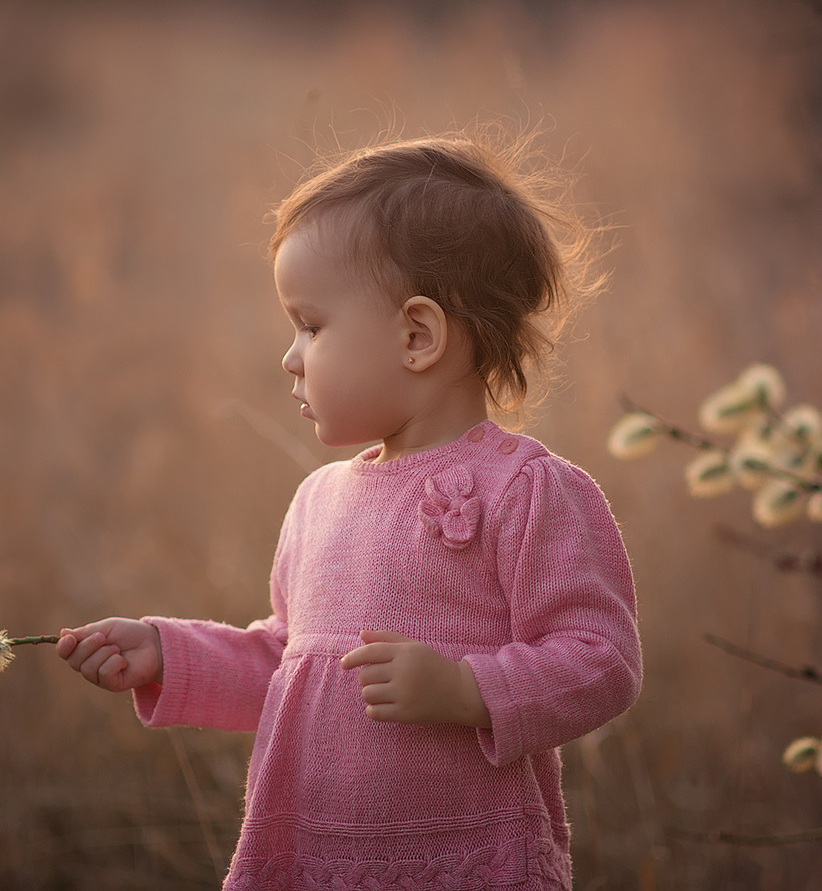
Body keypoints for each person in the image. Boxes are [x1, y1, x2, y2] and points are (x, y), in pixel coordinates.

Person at [57, 133, 642, 890]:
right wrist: (170, 654)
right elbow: (291, 664)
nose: (289, 357)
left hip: (464, 861)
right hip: (315, 859)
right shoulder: (319, 500)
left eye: (311, 325)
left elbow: (604, 660)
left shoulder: (526, 491)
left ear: (417, 335)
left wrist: (470, 690)